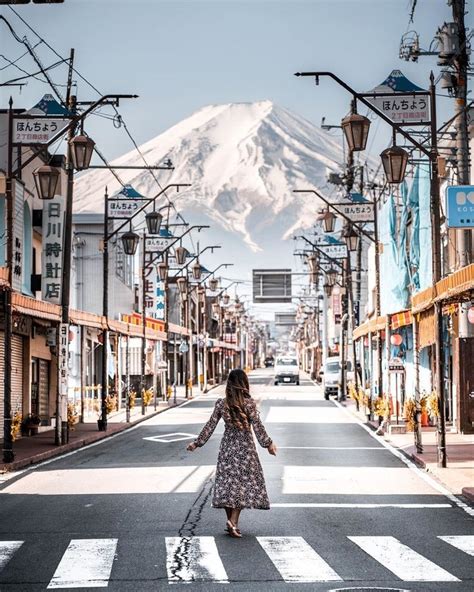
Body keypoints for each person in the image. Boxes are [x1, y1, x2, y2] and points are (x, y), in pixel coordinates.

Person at [187, 368, 277, 538]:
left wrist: (197, 443)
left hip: (227, 449)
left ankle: (232, 524)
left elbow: (210, 426)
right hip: (245, 450)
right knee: (242, 486)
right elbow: (258, 428)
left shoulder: (222, 403)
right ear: (244, 384)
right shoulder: (249, 404)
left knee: (229, 486)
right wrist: (268, 444)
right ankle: (232, 522)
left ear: (229, 383)